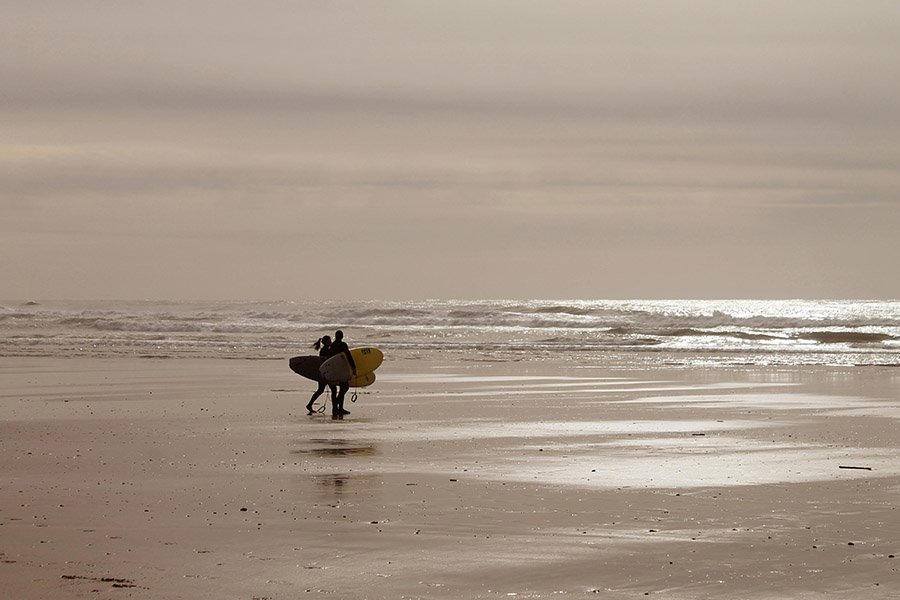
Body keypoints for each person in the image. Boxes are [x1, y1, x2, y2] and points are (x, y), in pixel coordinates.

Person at [328, 330, 357, 417]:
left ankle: (336, 408)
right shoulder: (343, 345)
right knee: (344, 387)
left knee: (336, 390)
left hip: (334, 369)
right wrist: (353, 367)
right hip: (342, 369)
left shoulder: (332, 345)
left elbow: (329, 358)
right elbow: (348, 355)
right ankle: (338, 406)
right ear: (342, 336)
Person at [306, 335, 337, 414]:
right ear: (326, 342)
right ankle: (335, 408)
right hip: (326, 373)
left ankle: (309, 404)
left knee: (320, 390)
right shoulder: (325, 350)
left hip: (323, 373)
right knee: (333, 390)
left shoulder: (324, 350)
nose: (331, 342)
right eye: (329, 341)